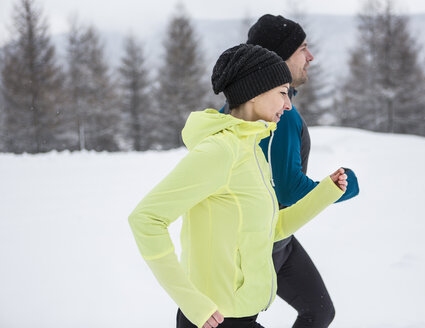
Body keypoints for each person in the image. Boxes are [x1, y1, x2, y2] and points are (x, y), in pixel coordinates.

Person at [128, 43, 348, 328]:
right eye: (282, 92)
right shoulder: (220, 151)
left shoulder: (251, 150)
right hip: (215, 320)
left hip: (241, 315)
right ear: (255, 93)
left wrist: (325, 193)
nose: (288, 104)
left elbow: (271, 229)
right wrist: (192, 302)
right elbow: (146, 219)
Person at [222, 15, 360, 328]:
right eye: (302, 49)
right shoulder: (277, 115)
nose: (310, 56)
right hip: (256, 244)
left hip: (277, 239)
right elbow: (288, 189)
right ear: (279, 59)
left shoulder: (242, 105)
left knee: (319, 311)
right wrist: (344, 185)